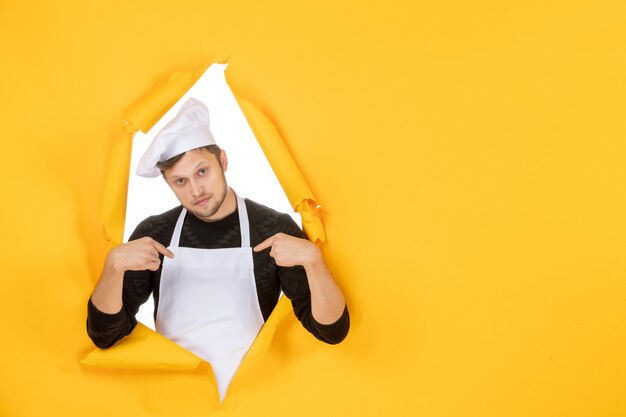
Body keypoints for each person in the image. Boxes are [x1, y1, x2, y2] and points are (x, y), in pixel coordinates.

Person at [86, 98, 349, 400]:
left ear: (222, 161)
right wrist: (113, 267)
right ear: (168, 183)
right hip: (177, 402)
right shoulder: (154, 234)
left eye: (202, 172)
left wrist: (314, 262)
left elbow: (331, 332)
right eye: (180, 181)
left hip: (252, 400)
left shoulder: (272, 229)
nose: (195, 191)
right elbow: (105, 336)